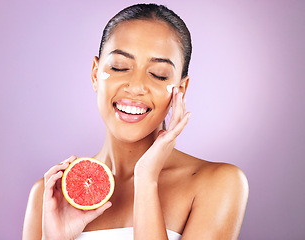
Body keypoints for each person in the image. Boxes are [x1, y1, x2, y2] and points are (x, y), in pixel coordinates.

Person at [23, 3, 249, 240]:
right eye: (120, 67)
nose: (136, 87)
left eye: (159, 74)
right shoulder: (51, 195)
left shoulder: (217, 183)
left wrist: (146, 179)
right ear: (95, 74)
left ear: (180, 89)